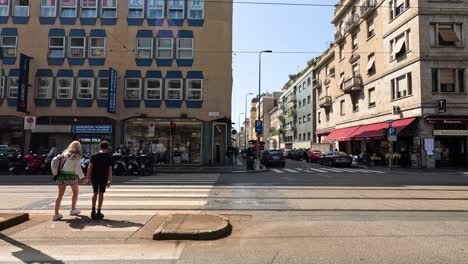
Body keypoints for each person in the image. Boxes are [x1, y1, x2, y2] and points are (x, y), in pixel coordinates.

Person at [52, 141, 85, 221]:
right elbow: (78, 169)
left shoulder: (64, 154)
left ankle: (56, 214)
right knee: (75, 192)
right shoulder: (76, 155)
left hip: (62, 175)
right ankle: (73, 209)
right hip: (71, 176)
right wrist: (83, 177)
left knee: (60, 195)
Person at [86, 141, 112, 220]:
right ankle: (99, 211)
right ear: (107, 148)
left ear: (100, 147)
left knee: (95, 193)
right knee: (101, 194)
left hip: (94, 177)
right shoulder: (108, 156)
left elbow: (89, 167)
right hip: (103, 178)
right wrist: (110, 180)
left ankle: (93, 211)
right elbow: (110, 169)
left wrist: (88, 178)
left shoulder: (94, 156)